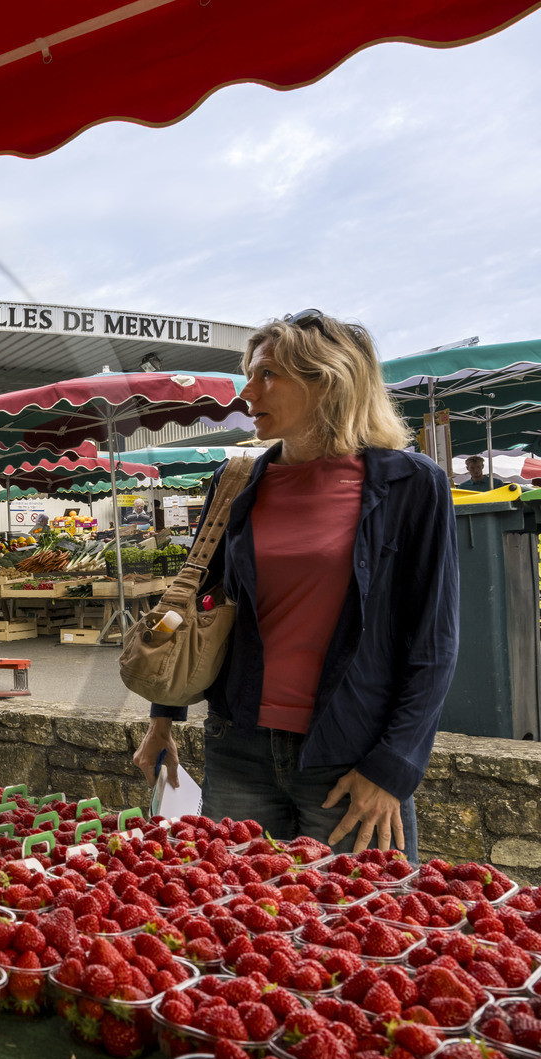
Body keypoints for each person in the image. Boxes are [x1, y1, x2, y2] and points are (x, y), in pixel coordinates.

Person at [131, 309, 458, 860]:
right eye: (249, 375)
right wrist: (163, 720)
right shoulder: (235, 482)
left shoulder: (411, 485)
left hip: (352, 757)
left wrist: (393, 768)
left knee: (350, 930)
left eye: (267, 376)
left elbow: (433, 641)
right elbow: (189, 608)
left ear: (326, 381)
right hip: (239, 748)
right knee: (237, 923)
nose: (247, 392)